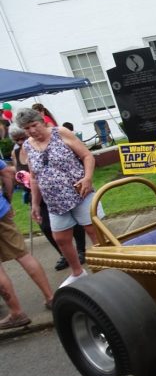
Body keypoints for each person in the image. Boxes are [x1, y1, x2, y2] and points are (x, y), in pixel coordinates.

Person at [16, 108, 99, 287]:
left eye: (34, 125)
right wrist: (35, 204)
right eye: (26, 128)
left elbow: (87, 156)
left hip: (79, 193)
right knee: (61, 238)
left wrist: (87, 178)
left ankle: (108, 265)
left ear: (42, 122)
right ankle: (77, 272)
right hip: (54, 202)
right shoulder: (27, 145)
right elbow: (34, 177)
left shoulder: (60, 133)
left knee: (94, 231)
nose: (31, 130)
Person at [10, 125, 87, 271]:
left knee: (74, 222)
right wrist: (21, 178)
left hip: (57, 191)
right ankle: (65, 255)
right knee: (46, 227)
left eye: (22, 138)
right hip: (37, 193)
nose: (20, 142)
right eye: (16, 139)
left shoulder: (41, 144)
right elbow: (20, 171)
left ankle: (81, 250)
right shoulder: (16, 152)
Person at [0, 157, 55, 329]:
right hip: (1, 210)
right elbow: (7, 172)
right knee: (23, 255)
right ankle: (50, 297)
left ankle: (16, 313)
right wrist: (7, 198)